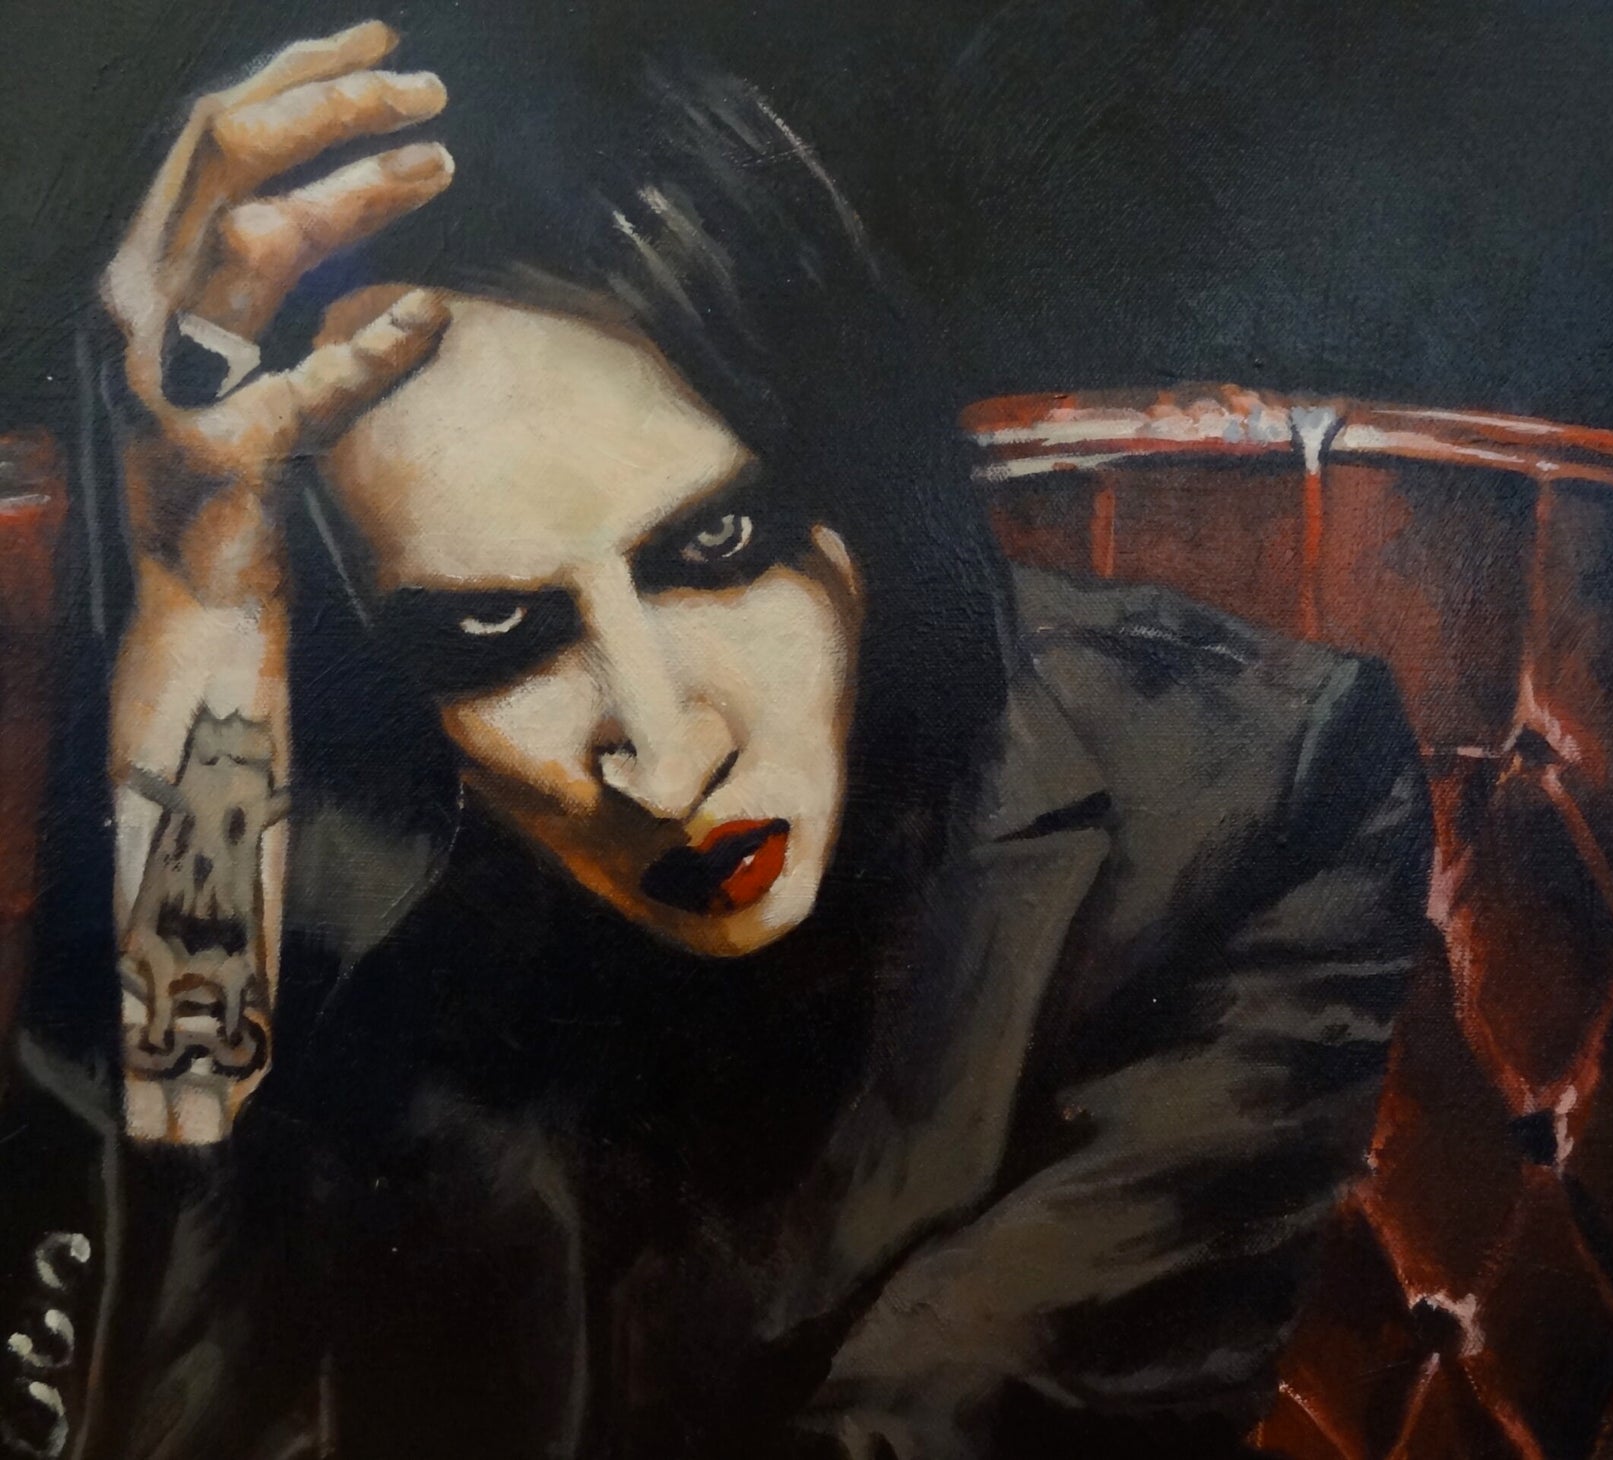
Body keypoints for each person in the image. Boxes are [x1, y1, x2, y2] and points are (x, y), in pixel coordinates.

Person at [0, 22, 1437, 1460]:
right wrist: (194, 614)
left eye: (721, 545)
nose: (666, 755)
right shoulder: (308, 852)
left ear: (862, 488)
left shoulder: (1254, 802)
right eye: (496, 635)